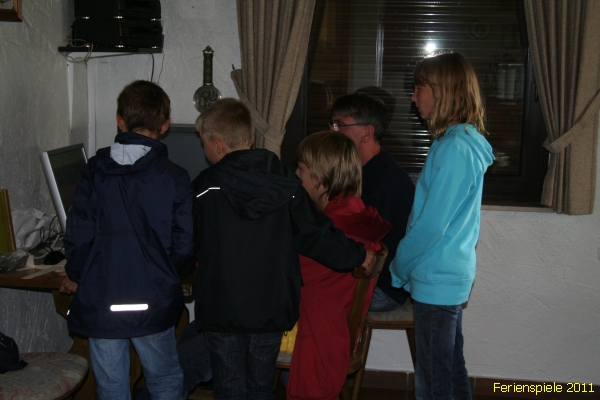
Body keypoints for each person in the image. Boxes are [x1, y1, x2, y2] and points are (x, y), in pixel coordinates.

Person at [191, 98, 375, 399]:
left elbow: (190, 242)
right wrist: (357, 254)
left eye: (204, 144)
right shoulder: (286, 184)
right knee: (260, 386)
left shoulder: (204, 187)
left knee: (228, 386)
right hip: (271, 308)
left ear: (218, 145)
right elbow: (316, 235)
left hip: (221, 309)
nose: (204, 151)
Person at [63, 80, 193, 400]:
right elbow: (184, 246)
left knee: (111, 385)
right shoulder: (175, 177)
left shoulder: (93, 171)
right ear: (165, 125)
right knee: (164, 380)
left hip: (102, 300)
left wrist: (78, 275)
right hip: (153, 300)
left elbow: (78, 235)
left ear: (120, 120)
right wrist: (167, 276)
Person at [389, 52, 494, 399]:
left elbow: (431, 226)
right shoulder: (456, 143)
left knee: (433, 379)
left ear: (443, 92)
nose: (413, 97)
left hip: (438, 277)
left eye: (419, 88)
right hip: (444, 274)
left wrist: (399, 266)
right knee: (449, 368)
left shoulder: (454, 149)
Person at [287, 131, 391, 400]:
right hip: (332, 336)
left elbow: (284, 272)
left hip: (318, 344)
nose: (296, 175)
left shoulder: (333, 238)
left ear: (320, 178)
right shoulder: (354, 215)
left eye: (301, 169)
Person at [330, 92, 415, 312]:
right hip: (369, 277)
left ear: (367, 132)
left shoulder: (382, 180)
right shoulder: (365, 170)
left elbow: (360, 242)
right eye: (332, 124)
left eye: (340, 125)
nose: (333, 131)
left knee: (303, 294)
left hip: (381, 286)